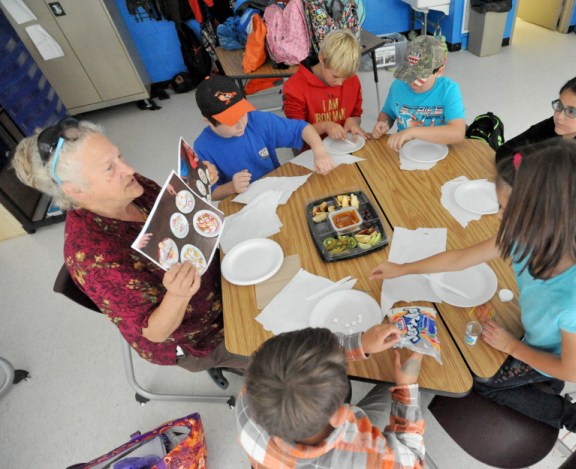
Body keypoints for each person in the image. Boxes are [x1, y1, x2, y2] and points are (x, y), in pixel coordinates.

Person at [370, 139, 576, 435]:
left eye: (505, 209)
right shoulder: (528, 232)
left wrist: (512, 346)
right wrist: (403, 269)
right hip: (536, 330)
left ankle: (574, 417)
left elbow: (575, 370)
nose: (499, 216)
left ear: (546, 215)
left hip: (553, 354)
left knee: (483, 382)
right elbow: (461, 258)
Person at [12, 118, 248, 371]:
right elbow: (154, 332)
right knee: (285, 354)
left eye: (119, 157)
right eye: (109, 169)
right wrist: (178, 295)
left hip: (219, 278)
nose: (128, 168)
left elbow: (176, 222)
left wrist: (196, 189)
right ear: (76, 191)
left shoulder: (132, 186)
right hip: (199, 334)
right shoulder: (92, 257)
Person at [236, 326, 427, 468]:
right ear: (341, 415)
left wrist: (361, 344)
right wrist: (406, 388)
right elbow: (415, 461)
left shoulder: (249, 397)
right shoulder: (366, 457)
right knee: (401, 387)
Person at [193, 75, 335, 200]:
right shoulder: (202, 148)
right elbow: (207, 192)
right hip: (243, 203)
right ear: (207, 120)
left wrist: (320, 151)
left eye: (242, 113)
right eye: (230, 120)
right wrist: (231, 187)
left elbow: (302, 128)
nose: (241, 123)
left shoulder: (257, 120)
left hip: (277, 190)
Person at [495, 72, 576, 169]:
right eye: (559, 105)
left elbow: (550, 194)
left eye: (572, 111)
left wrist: (520, 164)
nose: (559, 116)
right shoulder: (558, 124)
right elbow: (505, 151)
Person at [371, 35, 466, 152]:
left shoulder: (449, 90)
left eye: (420, 76)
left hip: (438, 150)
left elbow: (458, 133)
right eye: (409, 74)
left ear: (439, 71)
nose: (412, 82)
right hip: (405, 150)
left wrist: (412, 132)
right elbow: (388, 113)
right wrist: (383, 123)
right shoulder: (398, 86)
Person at [282, 30, 367, 142]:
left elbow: (356, 114)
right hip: (313, 150)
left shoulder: (353, 80)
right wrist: (324, 126)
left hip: (344, 145)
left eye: (345, 77)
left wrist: (354, 121)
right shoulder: (294, 87)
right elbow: (295, 132)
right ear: (321, 59)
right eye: (335, 76)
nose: (340, 83)